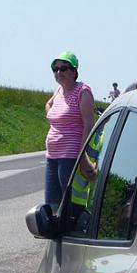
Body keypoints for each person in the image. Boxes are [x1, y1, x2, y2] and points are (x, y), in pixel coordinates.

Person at [43, 52, 94, 208]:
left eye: (64, 68)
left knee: (68, 204)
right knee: (52, 203)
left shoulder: (82, 91)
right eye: (55, 69)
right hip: (52, 155)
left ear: (74, 71)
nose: (59, 72)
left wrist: (82, 157)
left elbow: (89, 125)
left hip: (70, 156)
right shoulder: (59, 91)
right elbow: (48, 105)